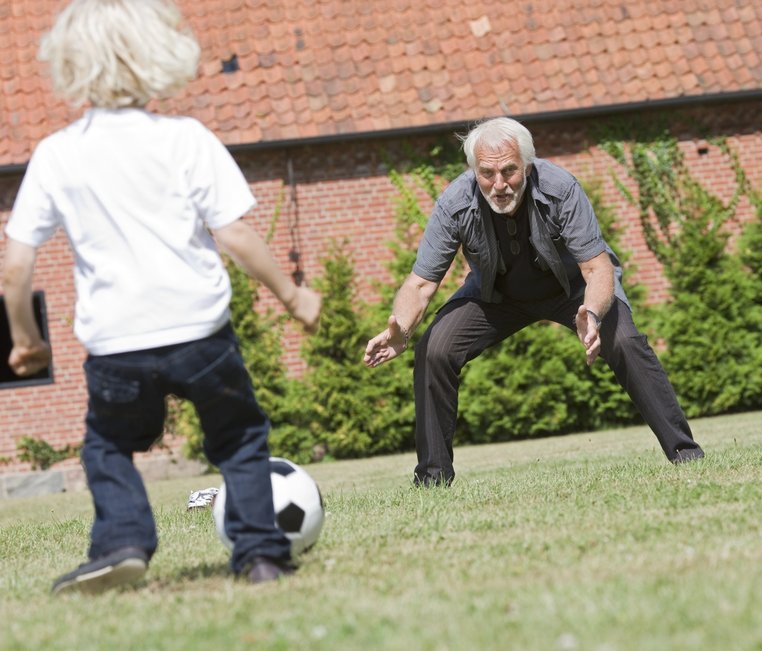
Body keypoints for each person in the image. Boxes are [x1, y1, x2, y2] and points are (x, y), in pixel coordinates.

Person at [2, 0, 322, 594]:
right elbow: (235, 235)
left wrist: (26, 340)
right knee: (239, 438)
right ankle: (260, 556)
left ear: (69, 63)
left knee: (108, 444)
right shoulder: (187, 140)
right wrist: (292, 295)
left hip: (117, 344)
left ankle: (122, 542)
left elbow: (15, 268)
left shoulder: (56, 154)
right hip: (200, 333)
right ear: (157, 52)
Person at [363, 117, 704, 486]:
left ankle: (685, 453)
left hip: (572, 291)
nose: (498, 184)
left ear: (526, 165)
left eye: (509, 170)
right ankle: (432, 479)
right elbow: (421, 284)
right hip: (496, 297)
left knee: (624, 341)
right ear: (473, 170)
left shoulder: (560, 188)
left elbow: (596, 268)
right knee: (434, 349)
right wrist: (402, 328)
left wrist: (592, 312)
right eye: (487, 173)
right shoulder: (455, 202)